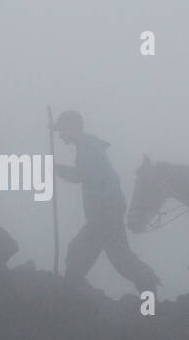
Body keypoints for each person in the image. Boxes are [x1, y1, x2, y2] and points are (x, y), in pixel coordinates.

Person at [53, 110, 160, 294]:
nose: (61, 136)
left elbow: (82, 175)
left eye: (62, 130)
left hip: (103, 212)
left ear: (74, 127)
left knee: (79, 253)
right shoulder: (88, 144)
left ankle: (71, 300)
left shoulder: (87, 147)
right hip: (108, 210)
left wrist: (55, 168)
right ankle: (147, 294)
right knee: (119, 257)